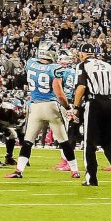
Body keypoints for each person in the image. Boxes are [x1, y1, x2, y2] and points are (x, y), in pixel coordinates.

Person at [10, 41, 73, 179]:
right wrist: (68, 107)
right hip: (52, 105)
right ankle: (74, 169)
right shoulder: (56, 68)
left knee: (28, 139)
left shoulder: (30, 62)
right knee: (63, 139)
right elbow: (60, 93)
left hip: (35, 105)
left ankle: (19, 170)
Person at [72, 47, 111, 187]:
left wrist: (76, 107)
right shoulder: (106, 65)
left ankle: (91, 178)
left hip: (94, 103)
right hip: (109, 103)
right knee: (107, 141)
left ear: (82, 54)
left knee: (89, 143)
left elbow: (81, 87)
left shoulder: (83, 65)